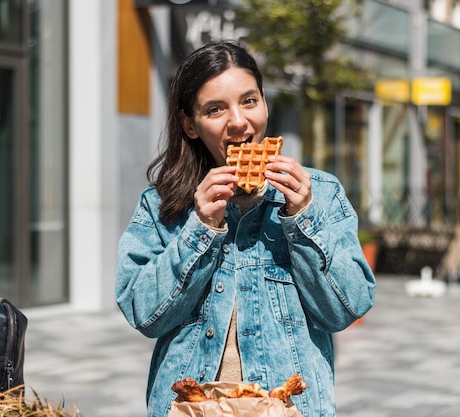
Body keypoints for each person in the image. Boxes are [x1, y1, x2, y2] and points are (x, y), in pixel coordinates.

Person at [115, 40, 376, 417]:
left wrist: (302, 217)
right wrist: (201, 228)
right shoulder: (161, 206)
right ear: (190, 124)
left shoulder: (320, 192)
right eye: (215, 109)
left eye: (249, 101)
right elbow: (144, 314)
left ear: (265, 102)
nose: (238, 121)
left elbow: (345, 309)